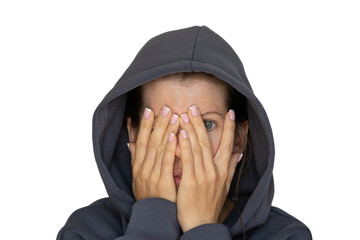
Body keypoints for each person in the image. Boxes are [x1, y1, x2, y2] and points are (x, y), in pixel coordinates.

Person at [57, 26, 312, 239]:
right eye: (160, 126)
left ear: (239, 138)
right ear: (132, 133)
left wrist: (203, 228)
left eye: (206, 125)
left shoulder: (286, 235)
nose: (180, 150)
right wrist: (153, 219)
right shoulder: (84, 231)